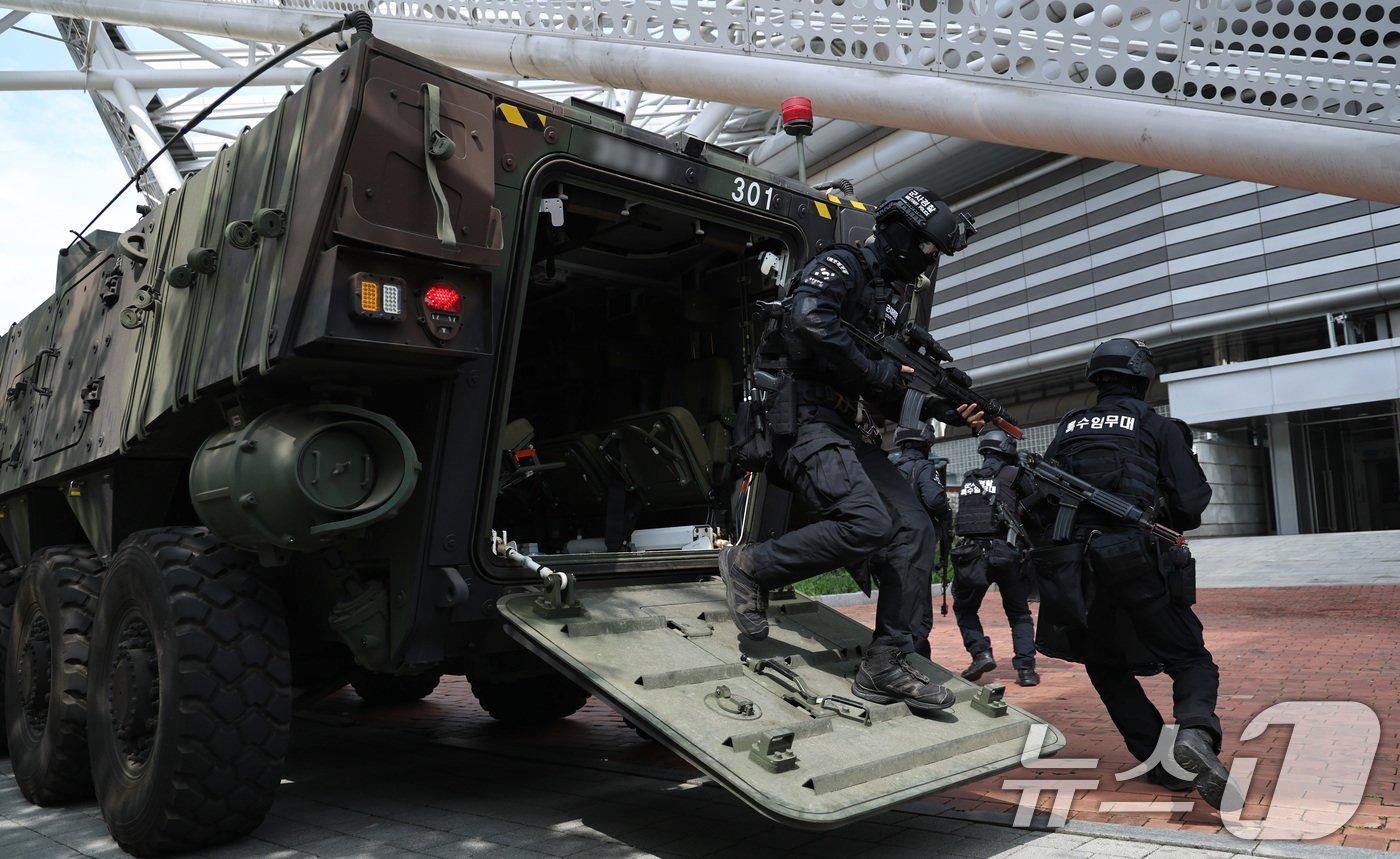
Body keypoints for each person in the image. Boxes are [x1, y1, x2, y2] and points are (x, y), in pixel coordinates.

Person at [718, 186, 980, 716]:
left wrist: (941, 409)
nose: (929, 262)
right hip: (800, 420)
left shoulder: (888, 299)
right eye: (929, 249)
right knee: (867, 521)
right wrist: (881, 371)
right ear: (904, 234)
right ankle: (749, 565)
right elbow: (812, 322)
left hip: (838, 422)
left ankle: (886, 661)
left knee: (914, 526)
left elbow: (881, 382)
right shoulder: (842, 266)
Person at [1034, 338, 1236, 809]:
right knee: (1190, 658)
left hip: (1076, 569)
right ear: (1142, 378)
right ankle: (1196, 732)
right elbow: (1189, 504)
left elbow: (1042, 493)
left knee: (1105, 665)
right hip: (1134, 558)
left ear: (1097, 377)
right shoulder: (1157, 425)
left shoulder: (1069, 427)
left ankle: (1161, 763)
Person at [949, 428, 1041, 687]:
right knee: (1019, 613)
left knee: (965, 608)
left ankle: (981, 653)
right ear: (1008, 449)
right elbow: (1036, 498)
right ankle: (1026, 671)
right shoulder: (1013, 474)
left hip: (971, 554)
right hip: (1005, 552)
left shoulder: (969, 478)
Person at [890, 422, 951, 659]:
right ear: (926, 443)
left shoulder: (888, 467)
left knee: (894, 606)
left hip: (889, 547)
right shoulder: (924, 467)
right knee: (919, 616)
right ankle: (914, 662)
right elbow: (935, 500)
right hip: (915, 548)